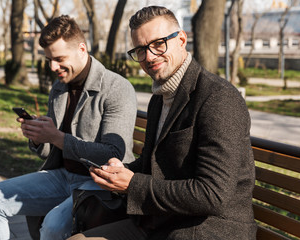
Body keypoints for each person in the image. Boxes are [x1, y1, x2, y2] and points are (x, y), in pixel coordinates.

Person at [68, 6, 257, 240]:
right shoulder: (160, 98)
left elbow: (213, 194)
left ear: (181, 39)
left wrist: (132, 184)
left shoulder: (217, 97)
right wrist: (122, 172)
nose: (149, 57)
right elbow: (155, 165)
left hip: (208, 230)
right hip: (161, 222)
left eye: (158, 44)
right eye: (140, 50)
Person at [0, 15, 137, 240]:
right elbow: (50, 151)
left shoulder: (117, 88)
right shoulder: (59, 87)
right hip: (61, 176)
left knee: (52, 226)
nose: (53, 67)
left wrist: (58, 137)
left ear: (82, 49)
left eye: (59, 58)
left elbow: (113, 153)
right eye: (49, 59)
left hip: (98, 183)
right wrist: (39, 138)